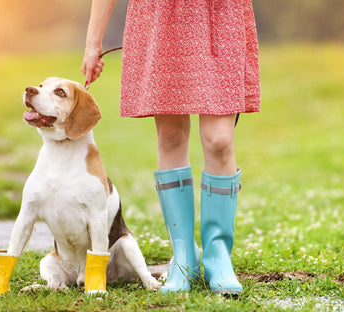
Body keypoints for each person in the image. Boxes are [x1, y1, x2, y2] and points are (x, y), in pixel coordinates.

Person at [82, 0, 260, 295]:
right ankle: (184, 255)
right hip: (161, 16)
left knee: (220, 140)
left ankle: (218, 255)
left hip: (219, 15)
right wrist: (92, 42)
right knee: (171, 136)